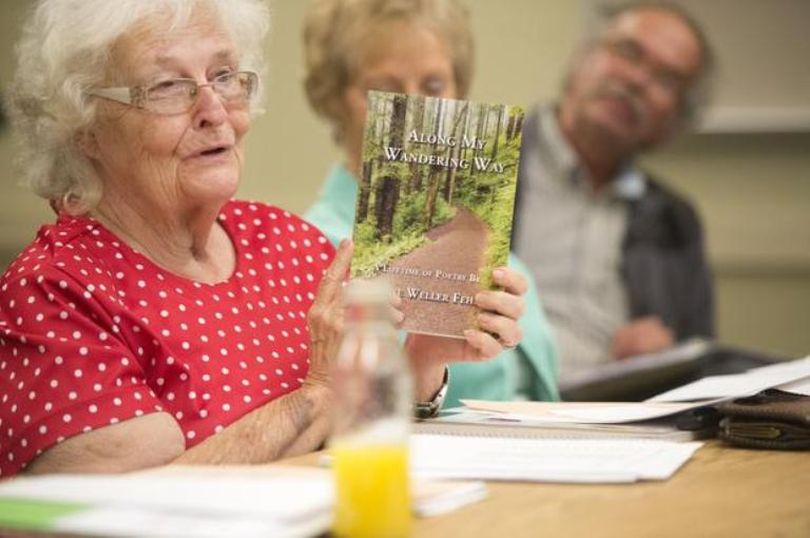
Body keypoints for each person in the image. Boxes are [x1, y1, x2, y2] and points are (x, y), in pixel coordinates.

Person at [0, 0, 529, 477]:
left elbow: (364, 442)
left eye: (225, 76)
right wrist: (320, 393)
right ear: (84, 127)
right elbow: (135, 507)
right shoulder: (54, 292)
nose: (215, 111)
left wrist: (424, 357)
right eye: (166, 87)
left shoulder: (287, 242)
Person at [302, 0, 559, 406]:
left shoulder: (488, 235)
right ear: (334, 100)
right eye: (384, 91)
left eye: (434, 87)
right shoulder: (314, 249)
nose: (415, 109)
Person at [513, 3, 715, 379]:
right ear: (581, 57)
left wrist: (664, 354)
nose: (637, 79)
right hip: (488, 400)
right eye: (627, 52)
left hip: (619, 414)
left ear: (674, 119)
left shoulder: (676, 221)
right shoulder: (487, 162)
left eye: (667, 79)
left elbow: (700, 364)